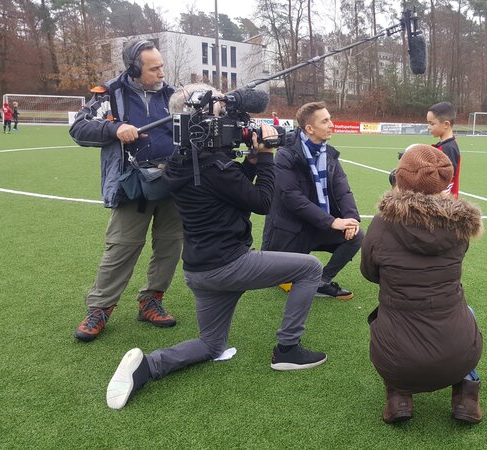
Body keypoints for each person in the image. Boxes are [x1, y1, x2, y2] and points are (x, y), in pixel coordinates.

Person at [105, 84, 327, 410]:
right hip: (229, 265)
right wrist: (266, 157)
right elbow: (262, 202)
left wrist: (251, 162)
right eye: (221, 113)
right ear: (201, 120)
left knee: (211, 345)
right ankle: (288, 350)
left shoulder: (184, 162)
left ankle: (147, 367)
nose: (229, 123)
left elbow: (228, 189)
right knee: (310, 268)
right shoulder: (212, 166)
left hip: (200, 270)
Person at [361, 144, 484, 424]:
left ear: (400, 178)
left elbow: (369, 273)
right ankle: (466, 396)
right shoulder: (460, 225)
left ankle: (398, 397)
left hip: (398, 356)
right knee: (467, 313)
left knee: (385, 319)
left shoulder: (381, 224)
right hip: (458, 353)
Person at [69, 39, 181, 342]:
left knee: (170, 246)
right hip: (132, 185)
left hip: (173, 183)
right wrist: (114, 128)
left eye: (161, 66)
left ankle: (151, 301)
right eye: (154, 68)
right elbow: (79, 128)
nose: (161, 73)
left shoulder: (172, 95)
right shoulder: (110, 94)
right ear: (134, 69)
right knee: (121, 248)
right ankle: (100, 308)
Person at [262, 102, 362, 300]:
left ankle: (321, 282)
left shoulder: (329, 154)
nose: (331, 124)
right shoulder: (286, 154)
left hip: (318, 225)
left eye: (330, 119)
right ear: (309, 128)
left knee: (357, 236)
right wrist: (331, 221)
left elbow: (343, 190)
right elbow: (291, 197)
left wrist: (351, 219)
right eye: (325, 121)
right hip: (291, 230)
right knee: (280, 275)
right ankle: (290, 273)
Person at [426, 101, 461, 198]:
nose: (429, 127)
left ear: (446, 124)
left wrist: (439, 194)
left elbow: (448, 177)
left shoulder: (448, 148)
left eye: (432, 124)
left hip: (444, 203)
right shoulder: (443, 145)